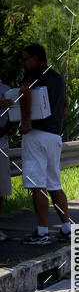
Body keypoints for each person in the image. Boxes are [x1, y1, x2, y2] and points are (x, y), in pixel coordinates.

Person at [19, 44, 71, 245]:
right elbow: (64, 109)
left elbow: (24, 92)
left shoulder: (33, 75)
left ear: (36, 58)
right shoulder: (58, 79)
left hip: (36, 134)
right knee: (54, 184)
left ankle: (41, 232)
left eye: (25, 59)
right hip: (54, 136)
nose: (24, 63)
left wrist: (25, 121)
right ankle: (66, 228)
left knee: (37, 186)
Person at [0, 81, 13, 231]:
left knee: (1, 190)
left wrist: (6, 129)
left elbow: (15, 115)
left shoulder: (7, 90)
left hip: (2, 145)